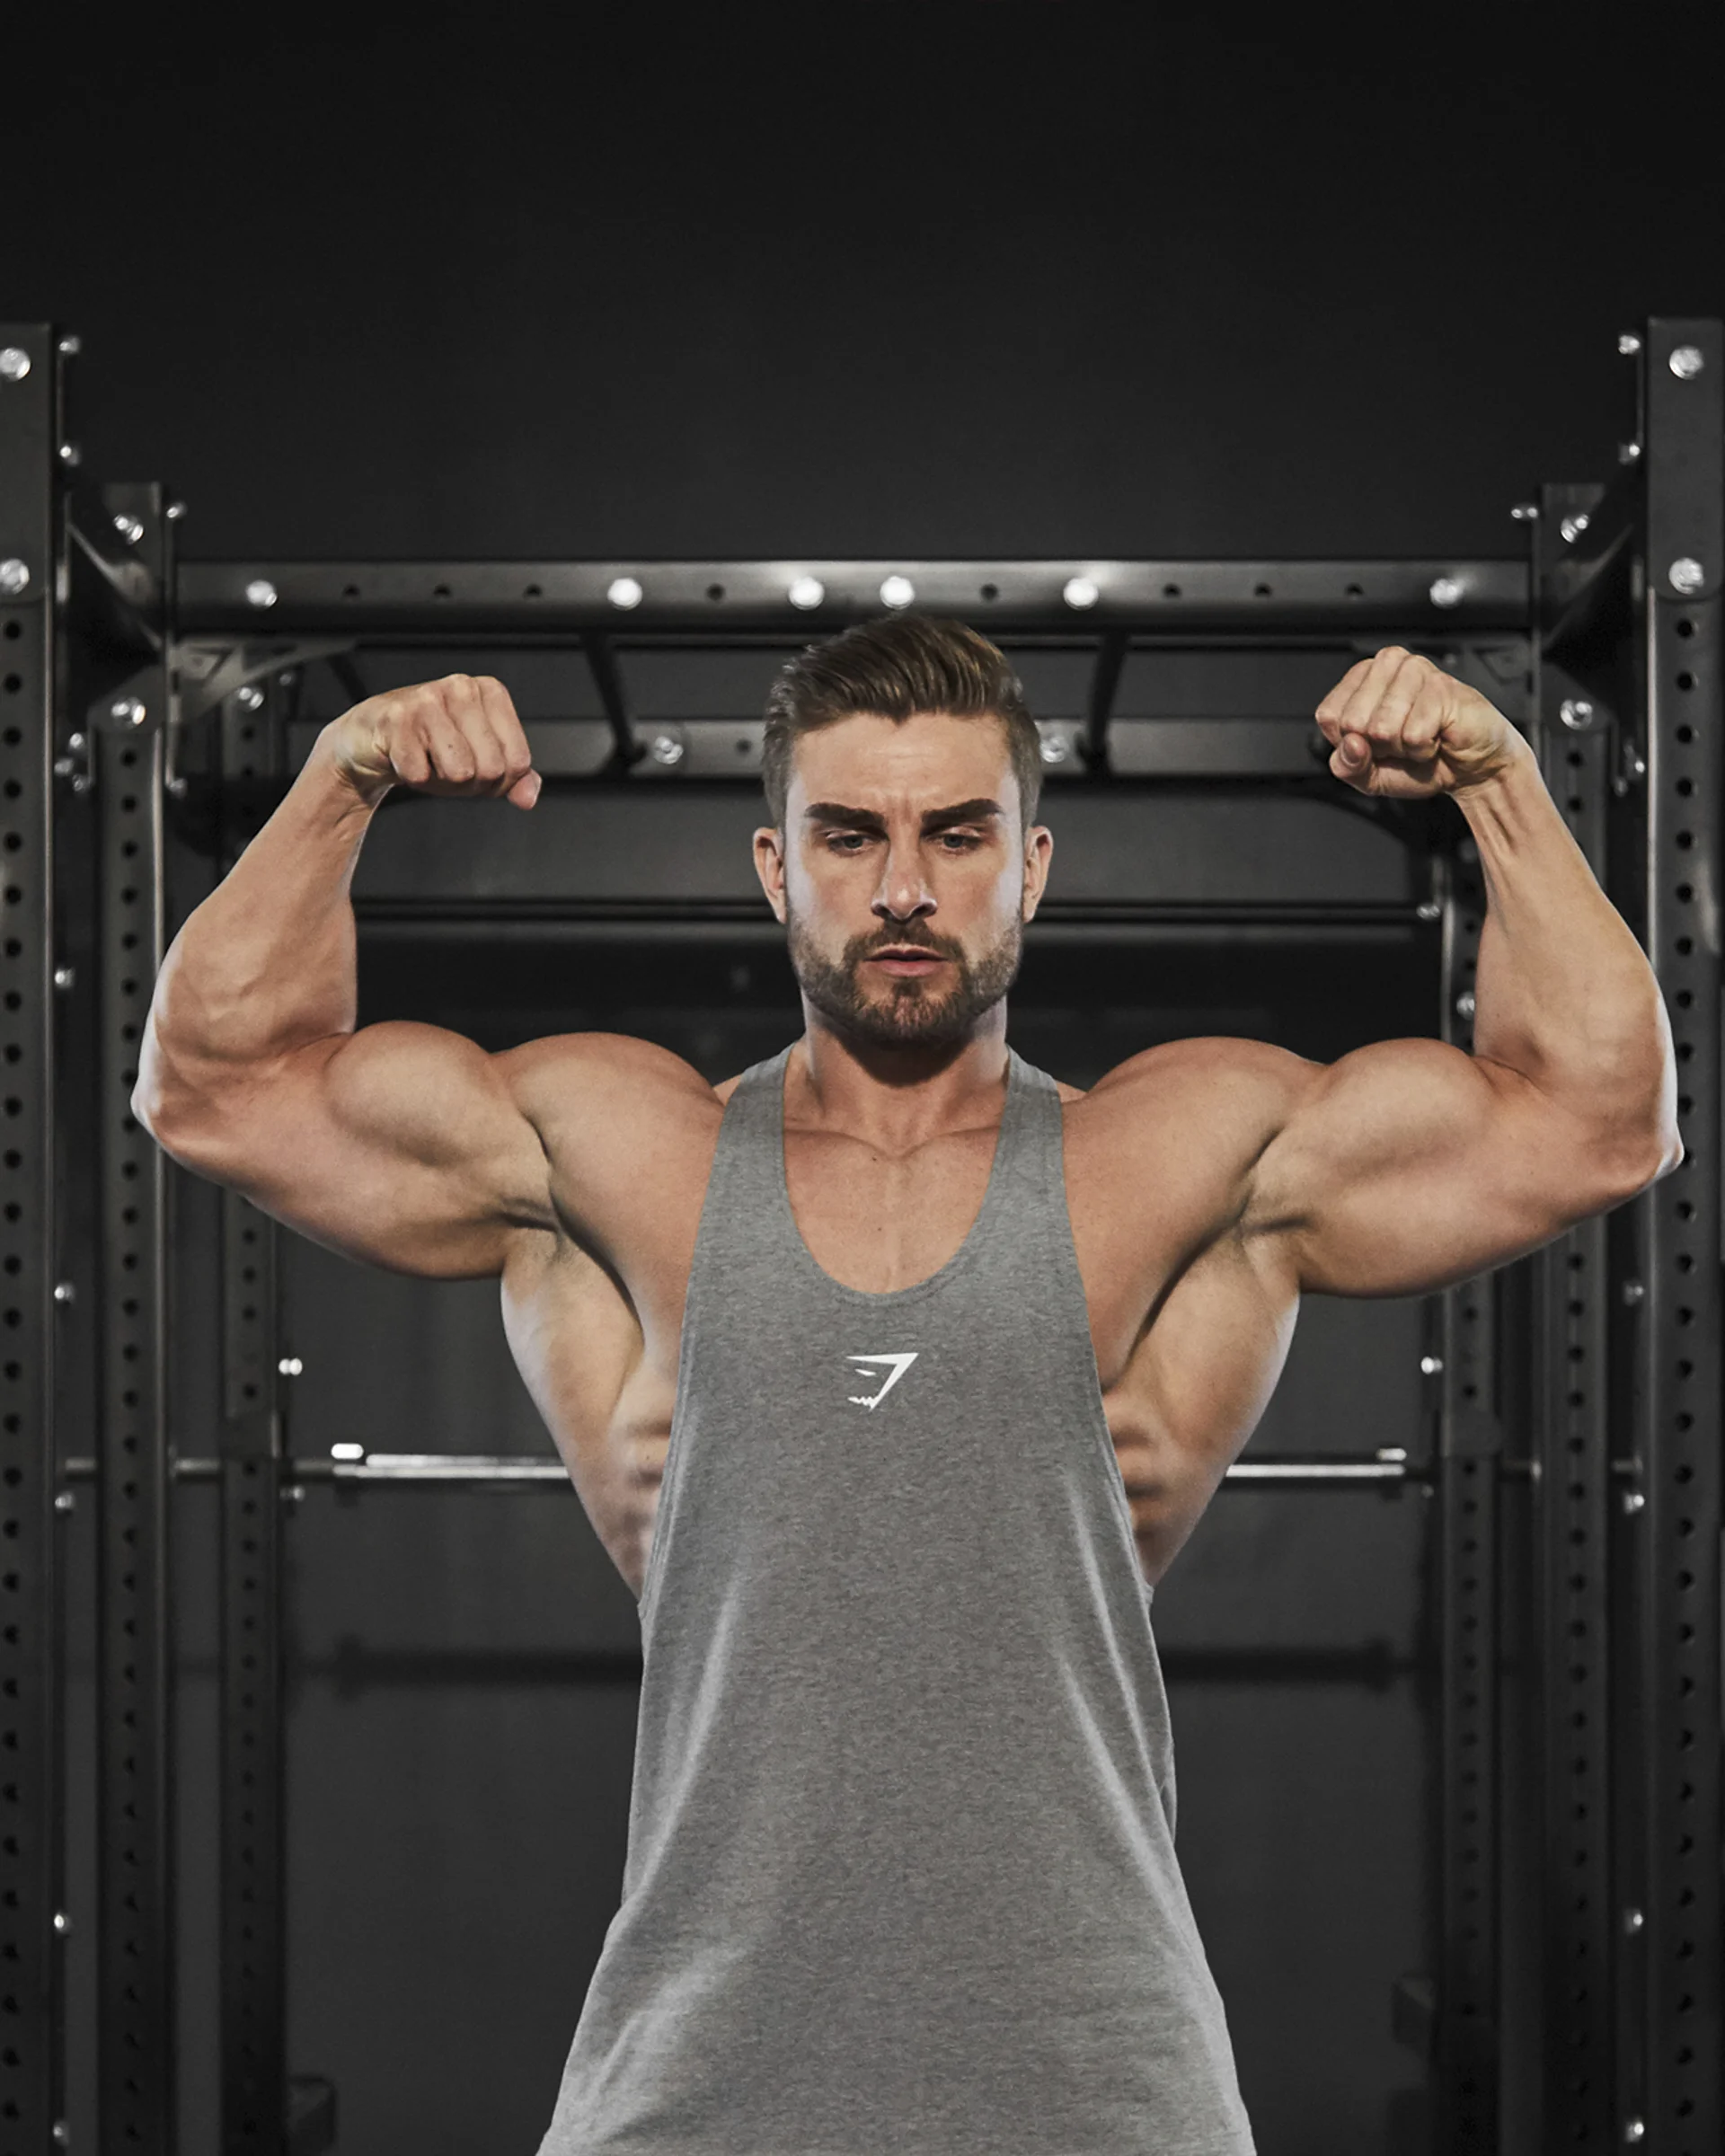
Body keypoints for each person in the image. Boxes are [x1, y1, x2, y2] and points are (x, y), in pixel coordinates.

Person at [136, 614, 1681, 2154]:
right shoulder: (616, 1154)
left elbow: (1597, 1125)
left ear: (1034, 865)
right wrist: (340, 778)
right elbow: (216, 1085)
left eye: (957, 834)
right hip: (694, 2093)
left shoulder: (1179, 1155)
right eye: (849, 834)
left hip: (1098, 2087)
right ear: (772, 866)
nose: (901, 888)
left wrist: (1500, 781)